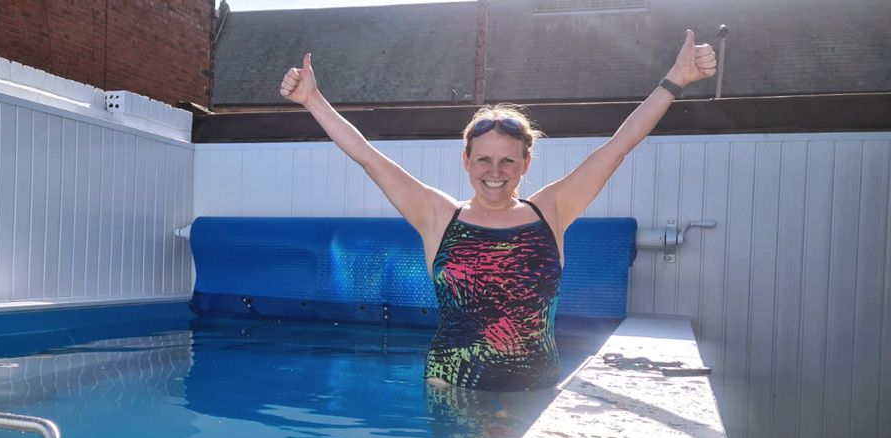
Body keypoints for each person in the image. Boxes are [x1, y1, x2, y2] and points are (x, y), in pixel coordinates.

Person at [280, 30, 717, 392]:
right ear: (466, 161)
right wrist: (313, 101)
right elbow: (370, 158)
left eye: (508, 160)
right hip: (453, 390)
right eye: (483, 160)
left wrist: (676, 78)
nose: (495, 172)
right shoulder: (438, 216)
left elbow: (618, 146)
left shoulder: (552, 210)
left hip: (534, 391)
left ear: (526, 164)